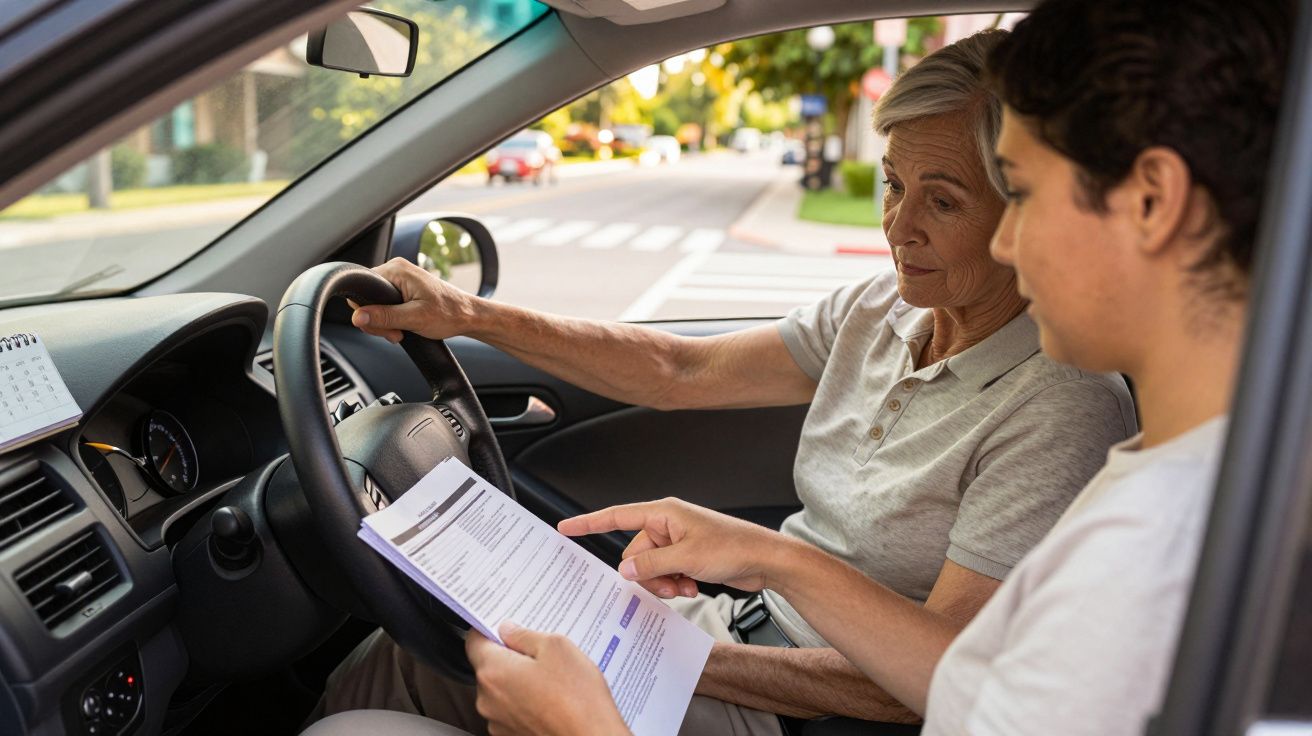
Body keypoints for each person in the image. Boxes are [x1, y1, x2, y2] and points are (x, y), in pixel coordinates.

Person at [434, 0, 1288, 734]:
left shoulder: (1143, 532)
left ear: (1151, 201)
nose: (1004, 242)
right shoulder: (1170, 487)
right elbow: (964, 685)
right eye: (892, 185)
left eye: (1018, 194)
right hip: (747, 622)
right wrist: (770, 558)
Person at [311, 29, 1137, 734]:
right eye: (892, 184)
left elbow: (932, 682)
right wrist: (471, 315)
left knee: (413, 673)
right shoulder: (884, 305)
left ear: (1020, 208)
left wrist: (690, 656)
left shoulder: (1060, 402)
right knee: (411, 648)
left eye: (943, 201)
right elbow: (680, 369)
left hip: (807, 711)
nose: (897, 226)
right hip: (738, 630)